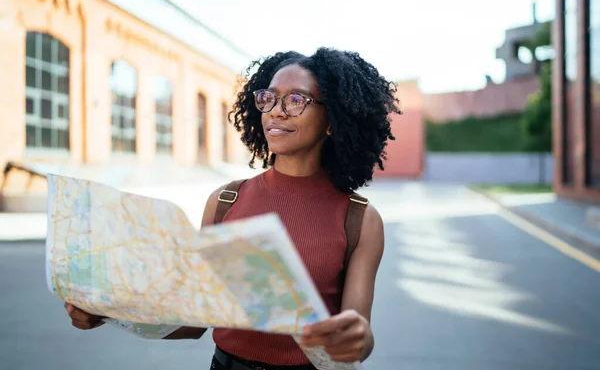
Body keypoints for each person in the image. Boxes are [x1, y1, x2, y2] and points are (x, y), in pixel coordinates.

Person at [64, 48, 401, 369]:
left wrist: (354, 338)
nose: (275, 110)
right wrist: (107, 313)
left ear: (333, 119)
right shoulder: (225, 202)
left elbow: (361, 335)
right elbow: (196, 320)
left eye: (296, 100)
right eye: (268, 98)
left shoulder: (360, 219)